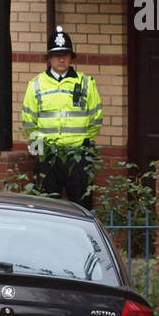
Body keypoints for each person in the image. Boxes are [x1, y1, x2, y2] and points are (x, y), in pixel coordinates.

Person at [21, 27, 103, 208]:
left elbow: (96, 120)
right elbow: (29, 121)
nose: (61, 59)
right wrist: (41, 149)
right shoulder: (36, 84)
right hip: (48, 155)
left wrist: (80, 141)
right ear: (49, 58)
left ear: (71, 57)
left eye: (65, 54)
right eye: (57, 55)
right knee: (46, 208)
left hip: (78, 155)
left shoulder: (86, 83)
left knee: (82, 208)